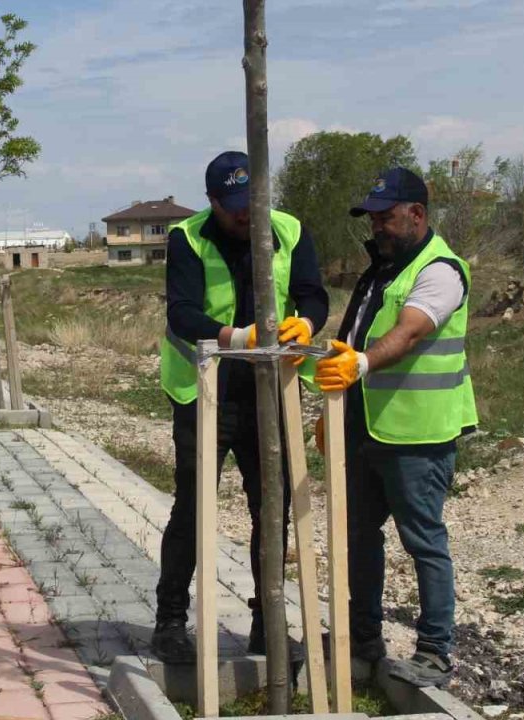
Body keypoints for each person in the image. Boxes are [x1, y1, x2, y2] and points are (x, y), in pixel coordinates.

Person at [153, 150, 330, 663]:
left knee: (271, 506)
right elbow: (183, 313)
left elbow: (313, 294)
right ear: (212, 201)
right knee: (193, 506)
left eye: (251, 203)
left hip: (269, 389)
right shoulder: (187, 238)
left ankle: (266, 625)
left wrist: (307, 323)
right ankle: (170, 623)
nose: (244, 215)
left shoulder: (290, 231)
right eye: (232, 207)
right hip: (206, 388)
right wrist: (237, 337)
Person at [314, 167, 478, 687]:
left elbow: (408, 333)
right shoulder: (380, 271)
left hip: (419, 436)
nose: (377, 227)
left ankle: (434, 652)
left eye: (386, 218)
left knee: (423, 541)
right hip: (367, 428)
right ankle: (363, 640)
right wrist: (331, 408)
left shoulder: (440, 271)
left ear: (417, 214)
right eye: (373, 219)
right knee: (359, 537)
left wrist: (360, 365)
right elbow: (351, 341)